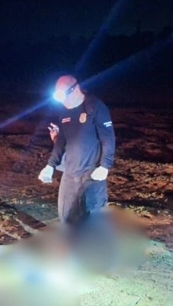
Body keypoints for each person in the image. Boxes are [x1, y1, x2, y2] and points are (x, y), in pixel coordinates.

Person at [38, 75, 116, 226]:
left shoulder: (95, 107)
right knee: (66, 215)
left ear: (75, 90)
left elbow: (108, 137)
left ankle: (95, 247)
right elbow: (61, 141)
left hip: (91, 174)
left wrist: (105, 166)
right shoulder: (64, 112)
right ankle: (71, 246)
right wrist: (50, 165)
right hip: (70, 173)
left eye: (63, 96)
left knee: (94, 216)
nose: (61, 101)